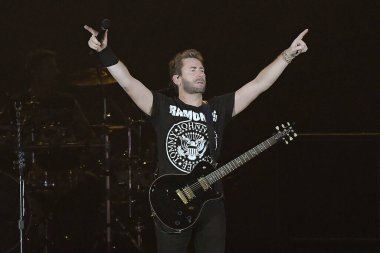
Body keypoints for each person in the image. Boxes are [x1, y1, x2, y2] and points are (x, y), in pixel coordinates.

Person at [85, 24, 308, 253]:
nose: (200, 73)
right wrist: (105, 52)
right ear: (177, 79)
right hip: (171, 201)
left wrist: (288, 55)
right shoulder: (163, 107)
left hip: (211, 202)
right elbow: (129, 83)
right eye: (192, 69)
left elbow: (259, 84)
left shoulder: (217, 108)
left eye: (202, 69)